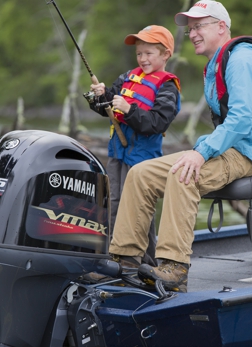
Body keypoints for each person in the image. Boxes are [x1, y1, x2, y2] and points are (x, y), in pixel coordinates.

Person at [107, 0, 252, 293]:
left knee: (184, 174)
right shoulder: (216, 63)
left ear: (221, 27)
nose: (192, 34)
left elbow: (240, 122)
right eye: (190, 29)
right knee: (141, 173)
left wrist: (201, 152)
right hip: (231, 146)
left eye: (199, 26)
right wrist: (204, 148)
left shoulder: (242, 59)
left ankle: (174, 269)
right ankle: (124, 263)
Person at [88, 25, 181, 268]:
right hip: (117, 153)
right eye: (139, 53)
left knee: (140, 209)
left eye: (149, 53)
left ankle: (146, 261)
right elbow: (106, 106)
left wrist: (129, 110)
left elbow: (157, 123)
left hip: (143, 158)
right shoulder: (128, 78)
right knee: (114, 204)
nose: (143, 58)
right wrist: (100, 96)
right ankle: (115, 256)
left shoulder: (167, 87)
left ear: (165, 55)